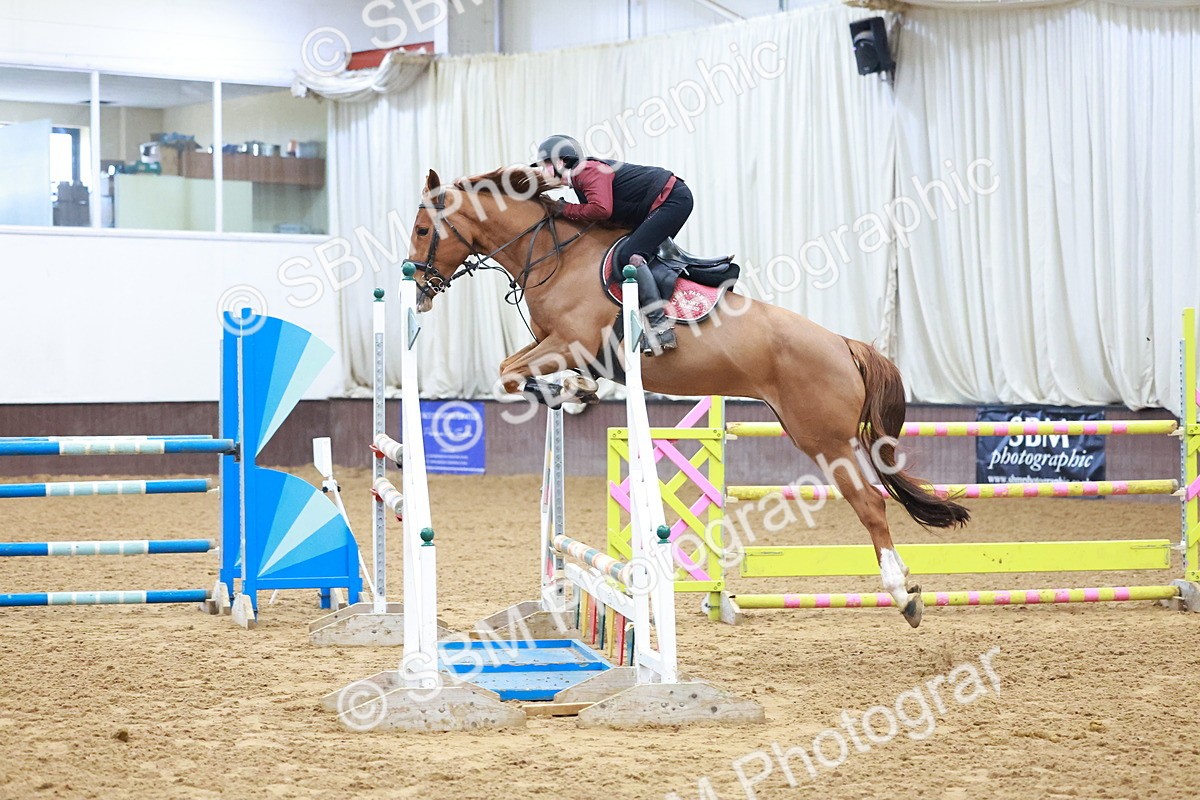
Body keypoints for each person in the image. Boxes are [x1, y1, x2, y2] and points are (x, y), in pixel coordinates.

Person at [534, 135, 692, 355]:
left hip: (672, 200)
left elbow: (601, 210)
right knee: (625, 251)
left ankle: (660, 328)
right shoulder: (580, 180)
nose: (542, 172)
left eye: (545, 165)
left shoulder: (585, 171)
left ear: (561, 161)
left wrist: (563, 209)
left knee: (631, 255)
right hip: (660, 202)